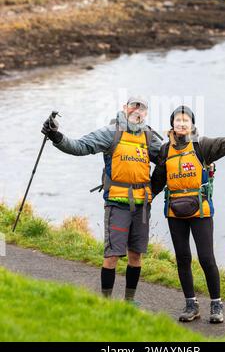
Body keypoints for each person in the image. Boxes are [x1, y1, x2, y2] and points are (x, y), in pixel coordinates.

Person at [42, 97, 162, 303]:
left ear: (146, 113)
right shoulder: (110, 133)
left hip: (142, 206)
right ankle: (105, 304)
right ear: (125, 109)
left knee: (136, 256)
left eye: (142, 109)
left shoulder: (149, 137)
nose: (137, 111)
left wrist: (201, 161)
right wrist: (55, 136)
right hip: (117, 204)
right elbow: (80, 146)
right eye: (134, 106)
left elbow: (171, 157)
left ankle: (129, 301)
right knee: (112, 256)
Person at [151, 105, 225, 323]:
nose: (181, 124)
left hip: (201, 211)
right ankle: (191, 305)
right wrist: (142, 200)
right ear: (172, 124)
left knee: (206, 258)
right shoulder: (165, 150)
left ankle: (216, 305)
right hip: (174, 213)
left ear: (192, 124)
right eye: (178, 120)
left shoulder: (203, 146)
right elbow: (157, 181)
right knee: (182, 258)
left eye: (185, 120)